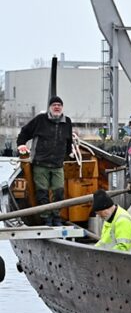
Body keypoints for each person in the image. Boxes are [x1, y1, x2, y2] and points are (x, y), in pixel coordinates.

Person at [16, 96, 74, 226]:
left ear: (62, 107)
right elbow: (25, 131)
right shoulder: (40, 120)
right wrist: (21, 144)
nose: (57, 107)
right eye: (54, 105)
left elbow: (69, 141)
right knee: (42, 193)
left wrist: (68, 153)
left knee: (59, 192)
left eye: (59, 105)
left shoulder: (67, 122)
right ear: (50, 107)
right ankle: (46, 218)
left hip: (57, 165)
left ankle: (57, 217)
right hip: (40, 163)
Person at [92, 189, 131, 253]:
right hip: (114, 258)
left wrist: (104, 255)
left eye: (100, 213)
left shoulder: (123, 220)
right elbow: (103, 242)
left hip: (129, 260)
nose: (100, 216)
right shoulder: (109, 218)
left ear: (106, 209)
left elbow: (122, 248)